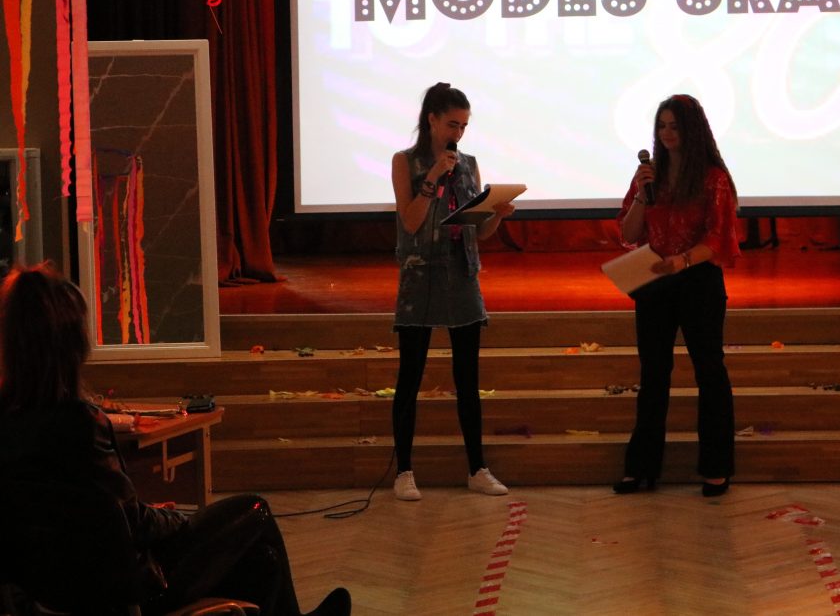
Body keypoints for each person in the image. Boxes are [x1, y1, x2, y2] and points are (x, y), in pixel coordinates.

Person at [0, 263, 351, 616]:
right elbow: (132, 524)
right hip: (131, 589)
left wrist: (148, 513)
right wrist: (176, 519)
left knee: (262, 560)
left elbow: (95, 513)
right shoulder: (79, 424)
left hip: (50, 593)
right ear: (72, 346)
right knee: (254, 511)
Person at [390, 82, 514, 501]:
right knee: (410, 375)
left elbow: (478, 230)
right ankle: (404, 471)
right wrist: (432, 177)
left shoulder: (468, 164)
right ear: (432, 120)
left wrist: (497, 214)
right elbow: (410, 222)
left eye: (463, 126)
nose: (457, 134)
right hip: (420, 274)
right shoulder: (405, 161)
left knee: (468, 377)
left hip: (461, 274)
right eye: (451, 124)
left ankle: (477, 468)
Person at [613, 94, 741, 498]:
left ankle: (716, 468)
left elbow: (719, 237)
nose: (667, 134)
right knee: (653, 373)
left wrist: (682, 261)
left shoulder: (712, 178)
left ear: (692, 129)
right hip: (654, 280)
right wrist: (640, 194)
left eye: (674, 126)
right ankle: (641, 467)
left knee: (709, 370)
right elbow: (629, 234)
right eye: (662, 126)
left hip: (698, 279)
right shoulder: (649, 175)